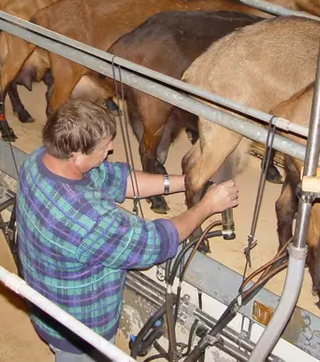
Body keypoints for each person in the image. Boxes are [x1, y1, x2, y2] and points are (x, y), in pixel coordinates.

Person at [16, 99, 239, 361]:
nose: (111, 148)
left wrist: (188, 182)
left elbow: (117, 180)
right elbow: (155, 242)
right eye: (103, 147)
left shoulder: (40, 160)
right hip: (80, 333)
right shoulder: (89, 221)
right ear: (76, 155)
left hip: (48, 304)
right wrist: (207, 206)